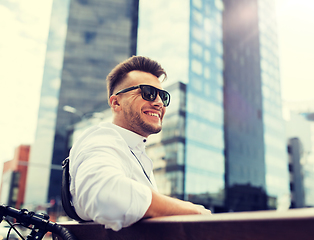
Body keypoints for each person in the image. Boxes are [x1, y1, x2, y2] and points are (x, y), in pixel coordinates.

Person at [68, 56, 211, 231]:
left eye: (163, 96)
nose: (159, 103)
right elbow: (105, 194)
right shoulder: (101, 140)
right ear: (116, 102)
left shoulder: (135, 151)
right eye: (148, 92)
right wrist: (193, 211)